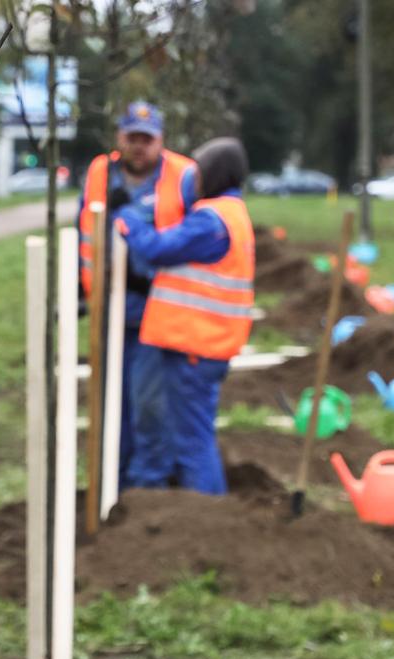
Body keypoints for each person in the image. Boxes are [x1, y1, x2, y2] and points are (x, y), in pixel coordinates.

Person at [112, 137, 254, 495]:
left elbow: (157, 248)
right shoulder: (231, 214)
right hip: (206, 344)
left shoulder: (211, 221)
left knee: (192, 441)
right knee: (193, 434)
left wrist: (127, 217)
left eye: (198, 174)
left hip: (196, 347)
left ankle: (206, 518)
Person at [77, 101, 198, 489]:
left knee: (149, 401)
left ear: (161, 140)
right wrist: (85, 289)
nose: (139, 146)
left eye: (147, 139)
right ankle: (116, 476)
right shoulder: (100, 172)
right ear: (120, 138)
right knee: (113, 398)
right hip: (108, 308)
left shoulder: (183, 175)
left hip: (158, 309)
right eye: (132, 138)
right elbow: (83, 228)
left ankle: (150, 483)